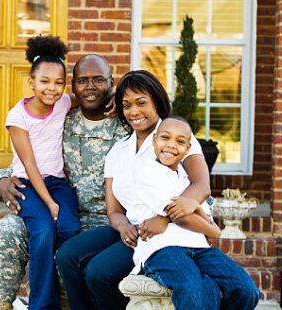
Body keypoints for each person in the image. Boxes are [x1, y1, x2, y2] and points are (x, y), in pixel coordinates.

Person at [55, 71, 213, 310]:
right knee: (67, 255)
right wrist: (121, 226)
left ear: (157, 102)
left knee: (98, 272)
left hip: (168, 231)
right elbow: (114, 209)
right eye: (126, 105)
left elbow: (201, 185)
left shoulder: (174, 137)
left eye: (141, 103)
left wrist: (164, 216)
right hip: (133, 227)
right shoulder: (120, 149)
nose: (134, 112)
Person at [103, 72, 261, 310]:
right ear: (155, 141)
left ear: (187, 147)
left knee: (247, 290)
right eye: (165, 139)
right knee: (194, 291)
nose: (171, 145)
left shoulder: (181, 175)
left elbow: (199, 195)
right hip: (163, 247)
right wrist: (212, 227)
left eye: (179, 143)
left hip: (197, 245)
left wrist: (199, 216)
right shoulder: (146, 172)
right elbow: (189, 217)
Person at [0, 54, 127, 310]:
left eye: (98, 80)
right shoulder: (62, 115)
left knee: (65, 244)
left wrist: (121, 97)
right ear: (72, 87)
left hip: (107, 218)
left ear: (111, 82)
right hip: (56, 205)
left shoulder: (126, 122)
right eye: (83, 81)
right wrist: (3, 179)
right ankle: (0, 306)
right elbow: (30, 157)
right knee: (7, 231)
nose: (90, 87)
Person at [5, 35, 82, 310]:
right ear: (32, 82)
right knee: (43, 231)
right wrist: (49, 203)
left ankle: (63, 295)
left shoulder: (62, 104)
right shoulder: (17, 117)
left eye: (59, 83)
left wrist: (110, 102)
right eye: (44, 81)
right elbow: (29, 165)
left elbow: (86, 98)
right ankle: (40, 305)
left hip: (58, 183)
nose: (52, 89)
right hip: (28, 183)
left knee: (70, 227)